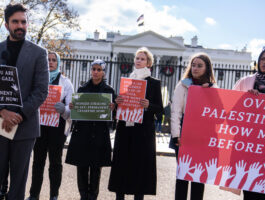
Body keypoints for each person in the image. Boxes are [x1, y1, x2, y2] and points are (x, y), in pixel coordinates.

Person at [0, 3, 49, 200]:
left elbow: (41, 90)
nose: (20, 25)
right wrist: (3, 111)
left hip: (24, 124)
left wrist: (18, 114)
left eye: (24, 22)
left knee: (18, 181)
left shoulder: (39, 53)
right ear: (6, 25)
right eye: (15, 22)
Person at [108, 47, 163, 200]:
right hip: (125, 129)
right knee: (122, 164)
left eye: (142, 59)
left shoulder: (154, 83)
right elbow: (122, 104)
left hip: (143, 131)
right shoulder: (127, 80)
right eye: (137, 58)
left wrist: (148, 105)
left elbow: (160, 109)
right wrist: (117, 102)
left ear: (148, 63)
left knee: (140, 167)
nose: (138, 61)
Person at [233, 46, 265, 200]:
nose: (264, 62)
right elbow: (230, 108)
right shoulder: (246, 82)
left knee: (264, 188)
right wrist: (246, 99)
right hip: (249, 146)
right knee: (250, 187)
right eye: (262, 59)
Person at [65, 59, 115, 200]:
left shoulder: (109, 91)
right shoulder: (82, 89)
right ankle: (83, 196)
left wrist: (113, 108)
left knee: (95, 169)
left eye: (99, 69)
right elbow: (76, 115)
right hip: (82, 134)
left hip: (99, 135)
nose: (96, 72)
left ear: (103, 72)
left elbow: (114, 118)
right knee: (81, 168)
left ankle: (92, 196)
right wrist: (73, 108)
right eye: (94, 69)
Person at [170, 52, 217, 200]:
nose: (195, 68)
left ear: (207, 68)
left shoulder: (213, 87)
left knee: (198, 176)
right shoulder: (183, 85)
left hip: (203, 135)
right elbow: (176, 111)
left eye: (200, 66)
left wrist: (210, 91)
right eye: (193, 65)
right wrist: (176, 134)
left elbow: (218, 112)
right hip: (184, 133)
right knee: (182, 175)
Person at [27, 51, 74, 200]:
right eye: (48, 60)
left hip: (57, 128)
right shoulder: (37, 80)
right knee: (37, 162)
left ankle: (54, 194)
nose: (51, 62)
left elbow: (72, 109)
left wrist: (64, 110)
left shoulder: (66, 82)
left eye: (54, 60)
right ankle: (34, 194)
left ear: (58, 63)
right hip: (39, 126)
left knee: (55, 163)